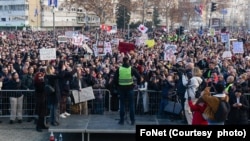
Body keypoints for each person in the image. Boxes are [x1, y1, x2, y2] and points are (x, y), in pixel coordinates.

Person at [113, 57, 141, 125]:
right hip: (130, 89)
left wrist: (117, 86)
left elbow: (115, 79)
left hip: (121, 89)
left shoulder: (119, 69)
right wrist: (138, 83)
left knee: (122, 104)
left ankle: (122, 121)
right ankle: (132, 121)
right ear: (128, 61)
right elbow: (138, 77)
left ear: (123, 61)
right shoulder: (131, 69)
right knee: (131, 105)